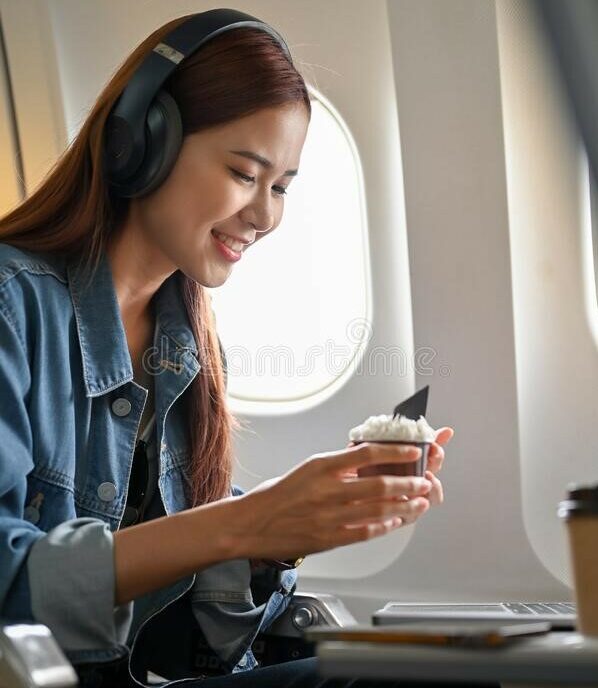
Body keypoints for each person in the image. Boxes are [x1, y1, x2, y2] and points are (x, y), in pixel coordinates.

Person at [0, 9, 457, 688]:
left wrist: (282, 535)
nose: (267, 217)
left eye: (281, 188)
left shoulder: (183, 339)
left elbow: (181, 637)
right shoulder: (13, 303)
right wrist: (243, 523)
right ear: (141, 141)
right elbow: (11, 590)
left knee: (436, 666)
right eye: (246, 174)